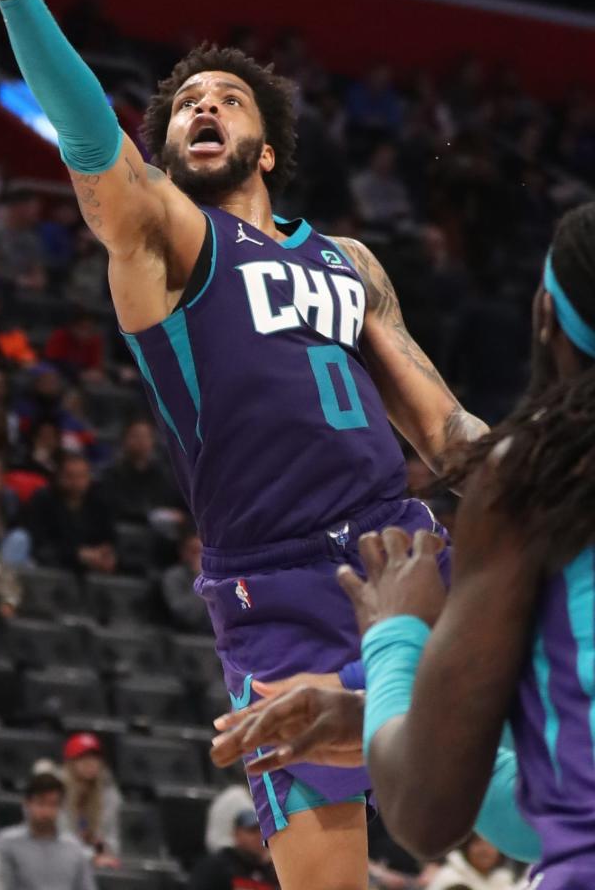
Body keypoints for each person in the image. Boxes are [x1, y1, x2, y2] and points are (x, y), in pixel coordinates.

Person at [0, 0, 485, 890]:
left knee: (550, 772)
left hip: (405, 552)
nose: (204, 108)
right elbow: (89, 139)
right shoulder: (165, 240)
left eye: (227, 97)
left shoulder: (349, 261)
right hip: (274, 587)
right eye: (187, 102)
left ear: (268, 144)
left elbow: (447, 430)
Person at [211, 207, 595, 886]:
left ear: (546, 321)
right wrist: (365, 712)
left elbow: (433, 813)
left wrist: (391, 639)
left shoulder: (536, 487)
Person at [0, 770, 94, 890]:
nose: (46, 812)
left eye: (53, 804)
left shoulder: (75, 848)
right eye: (41, 804)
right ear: (27, 804)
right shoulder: (7, 843)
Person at [25, 453, 116, 574]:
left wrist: (104, 553)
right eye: (70, 476)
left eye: (81, 476)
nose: (75, 482)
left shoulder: (99, 502)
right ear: (59, 476)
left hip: (92, 566)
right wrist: (78, 553)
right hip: (51, 565)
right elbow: (40, 543)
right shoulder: (43, 500)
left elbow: (108, 537)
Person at [98, 418, 185, 527]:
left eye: (146, 436)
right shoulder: (112, 474)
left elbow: (173, 501)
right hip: (128, 529)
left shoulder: (162, 473)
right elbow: (115, 508)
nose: (141, 440)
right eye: (136, 436)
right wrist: (149, 516)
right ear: (124, 439)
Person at [59, 733, 121, 864]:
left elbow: (113, 838)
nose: (90, 763)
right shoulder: (58, 791)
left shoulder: (110, 794)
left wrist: (104, 852)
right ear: (71, 762)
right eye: (83, 758)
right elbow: (61, 839)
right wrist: (91, 856)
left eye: (95, 758)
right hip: (63, 860)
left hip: (100, 860)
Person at [190, 808, 279, 890]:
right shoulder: (217, 866)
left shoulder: (272, 872)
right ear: (236, 834)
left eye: (264, 831)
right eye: (252, 831)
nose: (259, 836)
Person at [161, 529, 213, 634]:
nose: (200, 557)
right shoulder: (173, 576)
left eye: (204, 551)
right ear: (183, 553)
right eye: (194, 551)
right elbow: (188, 617)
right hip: (187, 636)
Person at [425, 837, 516, 890]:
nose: (485, 849)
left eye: (490, 843)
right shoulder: (449, 879)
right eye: (478, 843)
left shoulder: (503, 880)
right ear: (466, 847)